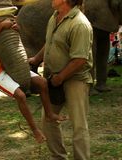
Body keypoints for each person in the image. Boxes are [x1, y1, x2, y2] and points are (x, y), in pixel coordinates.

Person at [29, 0, 93, 159]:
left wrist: (61, 77)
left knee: (79, 126)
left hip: (76, 80)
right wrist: (36, 59)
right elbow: (51, 42)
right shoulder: (54, 17)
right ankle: (58, 157)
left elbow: (80, 59)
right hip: (54, 78)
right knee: (48, 119)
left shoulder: (80, 24)